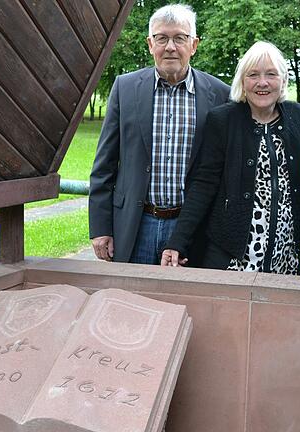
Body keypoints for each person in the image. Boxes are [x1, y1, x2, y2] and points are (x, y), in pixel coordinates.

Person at [89, 4, 230, 264]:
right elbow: (104, 165)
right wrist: (100, 227)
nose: (170, 47)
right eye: (161, 38)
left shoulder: (221, 95)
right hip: (135, 225)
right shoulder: (125, 88)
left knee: (186, 301)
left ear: (194, 44)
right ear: (150, 44)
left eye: (180, 38)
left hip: (192, 229)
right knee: (131, 301)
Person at [161, 42, 300, 274]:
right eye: (253, 75)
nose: (262, 82)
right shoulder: (223, 120)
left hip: (287, 256)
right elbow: (203, 184)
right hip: (233, 254)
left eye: (271, 74)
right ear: (242, 81)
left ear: (283, 80)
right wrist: (178, 241)